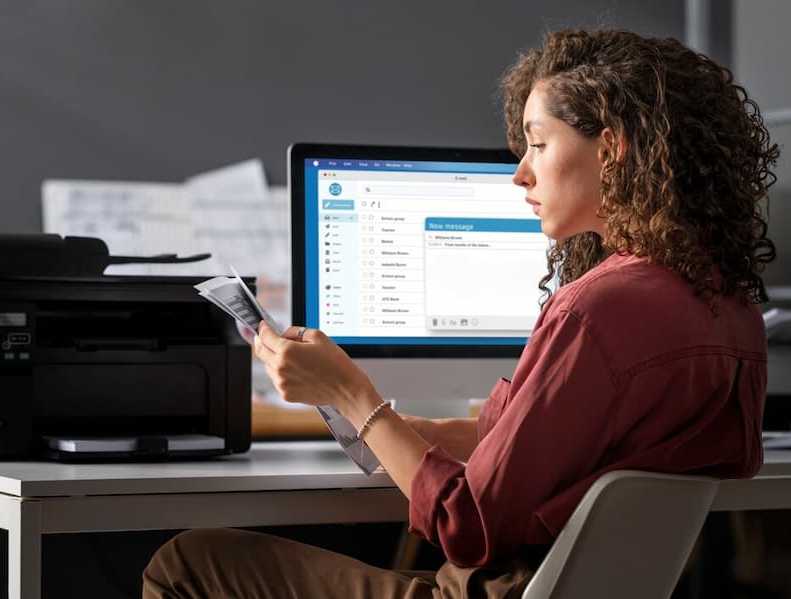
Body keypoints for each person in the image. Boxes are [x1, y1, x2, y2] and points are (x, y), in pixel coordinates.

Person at [143, 28, 778, 599]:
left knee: (186, 562)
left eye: (537, 144)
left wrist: (351, 396)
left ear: (610, 147)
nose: (519, 174)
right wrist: (400, 430)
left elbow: (468, 526)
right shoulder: (729, 307)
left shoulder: (595, 310)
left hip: (494, 591)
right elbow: (563, 447)